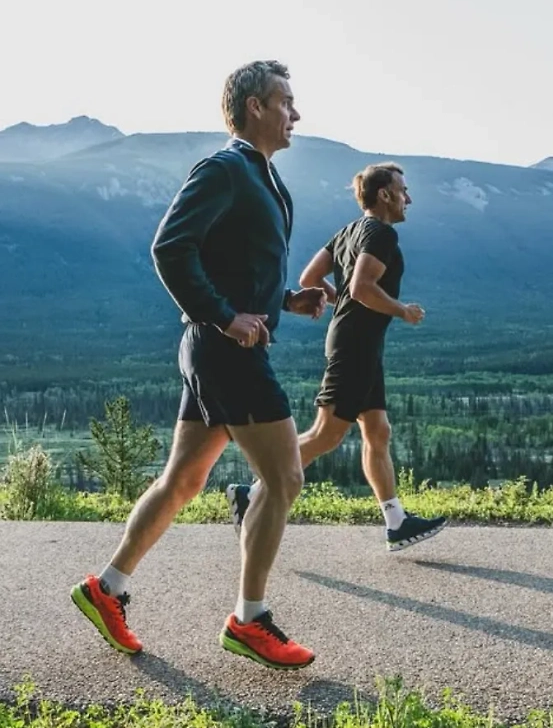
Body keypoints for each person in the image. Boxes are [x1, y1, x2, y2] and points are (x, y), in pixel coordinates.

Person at [70, 60, 326, 670]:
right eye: (285, 102)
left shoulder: (262, 176)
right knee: (285, 478)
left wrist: (287, 299)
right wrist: (225, 317)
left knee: (184, 480)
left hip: (216, 348)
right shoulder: (226, 169)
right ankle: (250, 620)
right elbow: (170, 247)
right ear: (255, 107)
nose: (296, 113)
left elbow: (238, 261)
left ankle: (106, 588)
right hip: (226, 351)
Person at [226, 161, 447, 551]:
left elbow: (309, 279)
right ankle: (253, 492)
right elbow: (361, 288)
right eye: (403, 191)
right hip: (355, 345)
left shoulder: (348, 232)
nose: (408, 199)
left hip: (360, 343)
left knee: (377, 430)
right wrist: (402, 310)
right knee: (326, 434)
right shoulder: (381, 233)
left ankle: (396, 521)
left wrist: (338, 299)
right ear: (385, 194)